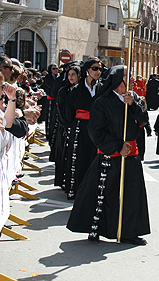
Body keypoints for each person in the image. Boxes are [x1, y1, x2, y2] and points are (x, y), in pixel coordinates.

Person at [67, 65, 150, 245]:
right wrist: (117, 146)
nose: (133, 79)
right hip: (111, 156)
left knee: (131, 196)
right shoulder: (102, 102)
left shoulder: (133, 98)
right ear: (117, 79)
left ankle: (129, 232)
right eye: (128, 76)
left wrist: (133, 106)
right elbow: (96, 132)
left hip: (131, 157)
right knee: (106, 197)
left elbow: (144, 120)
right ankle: (100, 229)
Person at [64, 58, 103, 199]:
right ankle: (77, 190)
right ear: (87, 70)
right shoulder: (76, 90)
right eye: (95, 68)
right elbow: (68, 111)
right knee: (79, 158)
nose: (98, 71)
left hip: (97, 128)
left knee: (95, 158)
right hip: (80, 127)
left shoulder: (102, 89)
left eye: (100, 69)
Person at [54, 64, 80, 189]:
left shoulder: (81, 90)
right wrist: (66, 124)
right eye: (69, 75)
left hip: (77, 126)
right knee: (63, 154)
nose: (71, 77)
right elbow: (61, 109)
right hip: (65, 126)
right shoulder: (63, 91)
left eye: (73, 74)